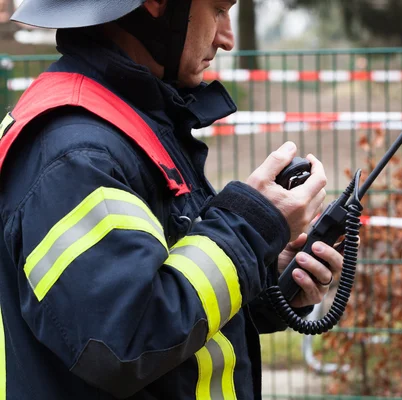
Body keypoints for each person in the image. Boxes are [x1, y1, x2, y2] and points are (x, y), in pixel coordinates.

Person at [0, 0, 343, 398]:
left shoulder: (126, 121)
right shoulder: (76, 154)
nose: (227, 39)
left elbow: (166, 282)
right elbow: (127, 340)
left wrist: (268, 281)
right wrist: (251, 229)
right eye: (217, 9)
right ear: (156, 5)